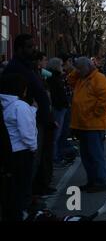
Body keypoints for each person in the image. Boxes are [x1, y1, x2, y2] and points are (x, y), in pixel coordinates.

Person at [3, 34, 55, 200]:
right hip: (29, 117)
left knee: (41, 157)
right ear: (19, 49)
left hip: (38, 117)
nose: (34, 50)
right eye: (29, 47)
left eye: (33, 46)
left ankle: (38, 188)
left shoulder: (30, 66)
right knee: (31, 161)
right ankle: (28, 197)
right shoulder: (15, 68)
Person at [68, 57, 106, 193]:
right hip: (82, 124)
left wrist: (95, 113)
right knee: (86, 156)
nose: (78, 71)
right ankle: (92, 180)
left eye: (80, 69)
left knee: (95, 155)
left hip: (93, 124)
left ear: (87, 67)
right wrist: (76, 71)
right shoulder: (81, 79)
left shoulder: (98, 78)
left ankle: (100, 181)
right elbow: (70, 81)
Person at [0, 73, 38, 221]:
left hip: (11, 151)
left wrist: (32, 110)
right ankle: (22, 213)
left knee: (13, 187)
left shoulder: (6, 105)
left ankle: (16, 212)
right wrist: (33, 147)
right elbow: (26, 131)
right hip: (22, 151)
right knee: (23, 186)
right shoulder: (20, 106)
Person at [46, 58, 70, 168]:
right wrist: (61, 104)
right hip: (58, 109)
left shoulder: (58, 77)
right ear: (56, 66)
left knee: (61, 134)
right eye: (61, 65)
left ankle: (60, 155)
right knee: (56, 135)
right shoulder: (52, 78)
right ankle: (54, 158)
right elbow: (55, 94)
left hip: (62, 108)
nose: (62, 66)